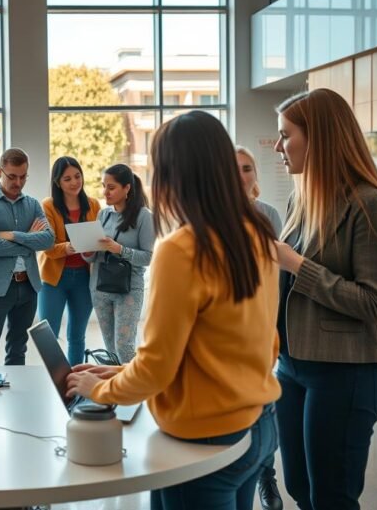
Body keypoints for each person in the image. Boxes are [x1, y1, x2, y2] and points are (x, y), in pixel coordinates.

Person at [67, 111, 281, 510]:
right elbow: (244, 343)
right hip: (259, 424)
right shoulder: (257, 234)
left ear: (171, 174)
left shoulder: (181, 249)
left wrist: (99, 389)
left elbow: (157, 369)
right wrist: (117, 371)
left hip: (203, 441)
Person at [273, 88, 377, 510]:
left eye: (285, 135)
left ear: (320, 138)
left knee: (332, 497)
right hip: (292, 368)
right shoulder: (302, 199)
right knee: (299, 488)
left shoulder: (371, 206)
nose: (279, 146)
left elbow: (372, 304)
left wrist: (297, 265)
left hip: (346, 373)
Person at [235, 145, 285, 510]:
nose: (242, 175)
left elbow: (277, 272)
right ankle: (246, 472)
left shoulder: (268, 215)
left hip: (260, 326)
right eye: (234, 168)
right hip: (225, 326)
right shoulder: (205, 219)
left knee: (260, 403)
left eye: (248, 168)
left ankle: (266, 475)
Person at [0, 148, 54, 364]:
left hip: (28, 287)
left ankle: (16, 396)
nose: (17, 182)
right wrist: (29, 241)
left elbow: (48, 240)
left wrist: (12, 235)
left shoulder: (33, 204)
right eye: (12, 176)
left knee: (18, 350)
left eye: (23, 176)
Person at [86, 163, 154, 364]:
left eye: (111, 187)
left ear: (127, 188)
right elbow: (93, 257)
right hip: (100, 288)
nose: (105, 192)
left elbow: (149, 257)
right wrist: (87, 251)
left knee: (124, 347)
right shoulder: (103, 214)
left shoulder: (144, 217)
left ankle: (136, 391)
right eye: (104, 186)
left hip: (129, 290)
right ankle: (115, 393)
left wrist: (119, 249)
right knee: (110, 349)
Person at [38, 157, 100, 366]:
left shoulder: (93, 205)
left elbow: (99, 241)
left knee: (77, 336)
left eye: (77, 176)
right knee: (49, 336)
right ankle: (53, 384)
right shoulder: (48, 206)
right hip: (54, 279)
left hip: (84, 278)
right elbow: (47, 247)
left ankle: (75, 385)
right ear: (58, 182)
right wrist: (68, 247)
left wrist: (93, 247)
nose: (74, 182)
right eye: (67, 179)